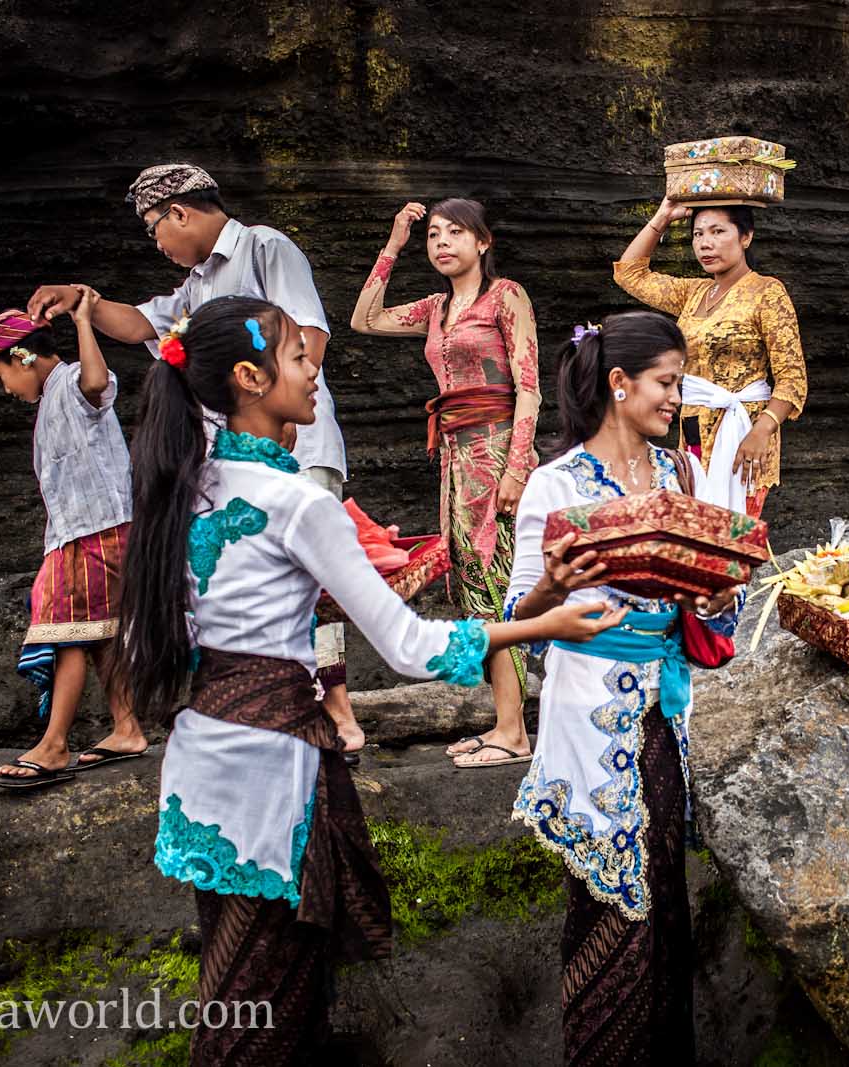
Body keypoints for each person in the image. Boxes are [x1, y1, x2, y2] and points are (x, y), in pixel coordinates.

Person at [107, 295, 620, 1066]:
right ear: (249, 377)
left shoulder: (183, 484)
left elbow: (175, 634)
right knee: (271, 1010)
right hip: (272, 778)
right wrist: (541, 625)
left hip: (200, 766)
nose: (316, 370)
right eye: (297, 357)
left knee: (234, 985)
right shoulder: (299, 503)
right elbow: (410, 645)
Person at [25, 163, 365, 761]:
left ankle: (337, 715)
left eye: (156, 230)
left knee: (312, 584)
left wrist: (279, 423)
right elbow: (139, 325)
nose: (158, 244)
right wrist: (84, 299)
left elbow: (309, 337)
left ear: (180, 212)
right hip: (233, 461)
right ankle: (269, 707)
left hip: (295, 447)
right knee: (247, 585)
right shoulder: (194, 288)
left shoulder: (265, 247)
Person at [505, 311, 744, 1064]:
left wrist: (713, 600)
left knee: (667, 896)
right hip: (587, 716)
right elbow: (517, 617)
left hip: (664, 719)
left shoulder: (684, 474)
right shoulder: (555, 484)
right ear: (619, 383)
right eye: (668, 383)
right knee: (609, 907)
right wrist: (551, 585)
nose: (678, 398)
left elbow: (716, 595)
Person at [349, 198, 541, 768]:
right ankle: (506, 723)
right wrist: (393, 243)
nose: (442, 243)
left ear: (483, 241)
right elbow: (364, 319)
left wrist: (516, 469)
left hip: (498, 451)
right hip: (456, 459)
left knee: (499, 583)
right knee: (473, 586)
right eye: (434, 235)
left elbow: (528, 386)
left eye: (455, 232)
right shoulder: (435, 308)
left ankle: (514, 730)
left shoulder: (505, 296)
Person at [0, 294, 145, 789]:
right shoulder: (49, 401)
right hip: (90, 529)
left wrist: (84, 322)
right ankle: (126, 727)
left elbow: (97, 382)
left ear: (22, 356)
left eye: (2, 375)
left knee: (62, 629)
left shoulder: (66, 382)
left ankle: (54, 743)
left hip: (93, 531)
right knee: (100, 632)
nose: (5, 388)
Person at [614, 197, 807, 517]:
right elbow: (630, 274)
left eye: (718, 232)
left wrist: (762, 431)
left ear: (746, 236)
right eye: (698, 234)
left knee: (735, 535)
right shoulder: (694, 293)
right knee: (696, 528)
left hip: (745, 432)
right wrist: (663, 216)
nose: (706, 243)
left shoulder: (767, 292)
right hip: (693, 427)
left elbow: (792, 378)